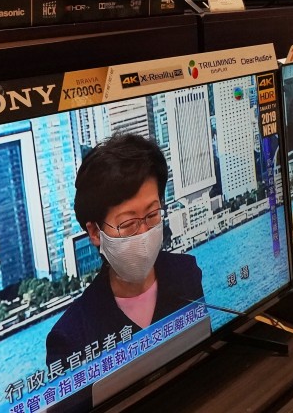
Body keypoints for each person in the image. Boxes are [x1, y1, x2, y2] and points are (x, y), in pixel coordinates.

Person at [44, 134, 206, 406]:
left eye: (152, 215)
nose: (143, 233)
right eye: (128, 224)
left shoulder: (186, 273)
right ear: (95, 232)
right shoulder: (71, 336)